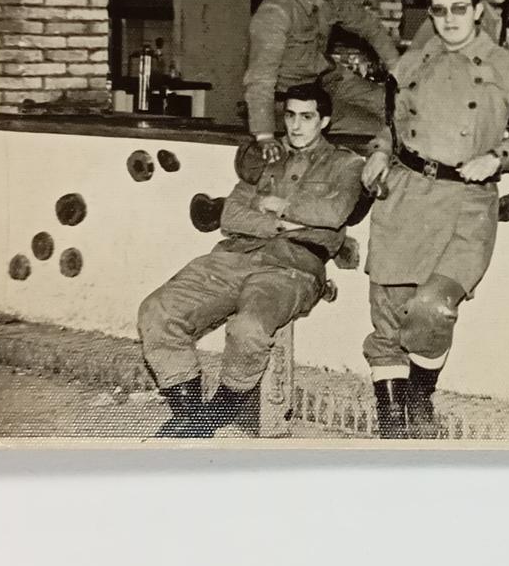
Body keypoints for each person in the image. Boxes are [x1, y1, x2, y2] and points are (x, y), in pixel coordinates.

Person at [360, 0, 509, 439]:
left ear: (479, 10)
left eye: (459, 8)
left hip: (467, 202)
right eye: (439, 10)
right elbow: (394, 126)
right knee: (387, 313)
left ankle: (419, 395)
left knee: (433, 307)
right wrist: (380, 152)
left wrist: (498, 157)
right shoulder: (413, 64)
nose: (449, 19)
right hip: (405, 195)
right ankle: (391, 426)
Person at [137, 82, 365, 438]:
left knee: (249, 329)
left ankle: (208, 420)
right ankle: (194, 417)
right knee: (157, 311)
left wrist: (278, 204)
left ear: (325, 121)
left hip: (294, 267)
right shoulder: (266, 159)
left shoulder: (346, 164)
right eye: (290, 115)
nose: (296, 125)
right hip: (236, 255)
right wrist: (280, 222)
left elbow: (334, 212)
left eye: (307, 117)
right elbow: (230, 215)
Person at [244, 0, 400, 161]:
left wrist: (398, 70)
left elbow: (368, 25)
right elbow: (260, 79)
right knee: (376, 127)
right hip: (291, 99)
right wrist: (265, 136)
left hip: (326, 80)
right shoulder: (275, 12)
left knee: (399, 105)